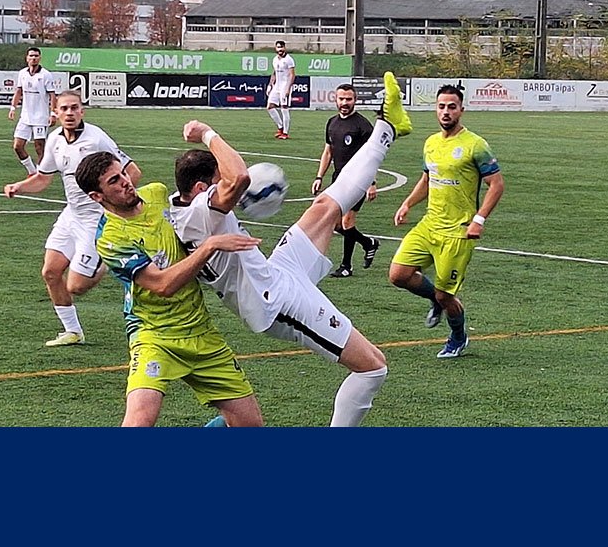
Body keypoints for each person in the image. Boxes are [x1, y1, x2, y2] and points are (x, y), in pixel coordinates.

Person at [168, 72, 410, 426]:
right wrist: (206, 132)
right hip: (276, 300)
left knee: (326, 206)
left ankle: (387, 129)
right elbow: (239, 178)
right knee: (373, 367)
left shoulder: (180, 206)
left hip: (273, 272)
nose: (230, 192)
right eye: (218, 184)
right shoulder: (197, 213)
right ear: (203, 187)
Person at [75, 150, 266, 427]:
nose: (126, 182)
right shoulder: (110, 239)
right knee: (138, 422)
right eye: (114, 181)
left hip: (200, 329)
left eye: (123, 174)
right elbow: (163, 285)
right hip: (154, 335)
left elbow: (198, 213)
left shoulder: (156, 193)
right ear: (97, 196)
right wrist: (210, 246)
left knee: (250, 427)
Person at [4, 90, 139, 348]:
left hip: (96, 219)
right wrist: (19, 186)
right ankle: (72, 331)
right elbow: (43, 178)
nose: (69, 113)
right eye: (64, 109)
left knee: (76, 286)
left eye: (74, 108)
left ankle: (108, 259)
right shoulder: (55, 139)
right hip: (71, 215)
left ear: (82, 111)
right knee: (51, 272)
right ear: (55, 112)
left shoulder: (97, 138)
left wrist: (117, 204)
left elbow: (132, 171)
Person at [389, 84, 505, 359]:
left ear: (461, 110)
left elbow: (496, 184)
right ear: (435, 109)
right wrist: (407, 203)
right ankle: (435, 300)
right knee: (398, 275)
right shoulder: (431, 142)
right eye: (441, 106)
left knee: (445, 295)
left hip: (458, 231)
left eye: (452, 106)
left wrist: (479, 220)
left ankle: (458, 336)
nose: (446, 111)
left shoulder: (475, 145)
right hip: (430, 225)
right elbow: (428, 179)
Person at [312, 82, 381, 278]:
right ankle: (368, 243)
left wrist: (372, 183)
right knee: (336, 225)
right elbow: (328, 152)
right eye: (341, 99)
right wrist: (319, 176)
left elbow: (372, 156)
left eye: (348, 99)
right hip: (338, 178)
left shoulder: (363, 126)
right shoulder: (332, 123)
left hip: (359, 179)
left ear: (355, 100)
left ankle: (346, 266)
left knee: (347, 220)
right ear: (335, 99)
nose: (344, 103)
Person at [8, 47, 59, 175]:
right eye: (31, 56)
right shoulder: (22, 73)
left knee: (39, 147)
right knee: (17, 146)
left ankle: (40, 175)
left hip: (40, 118)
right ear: (27, 58)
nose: (33, 58)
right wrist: (13, 107)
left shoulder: (46, 75)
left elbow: (53, 95)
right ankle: (32, 171)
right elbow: (18, 91)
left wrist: (53, 114)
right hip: (25, 117)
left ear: (39, 58)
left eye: (36, 56)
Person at [265, 40, 295, 139]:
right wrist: (270, 85)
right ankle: (280, 127)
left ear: (285, 48)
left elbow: (292, 75)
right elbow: (274, 73)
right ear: (275, 48)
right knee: (270, 107)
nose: (280, 49)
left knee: (284, 109)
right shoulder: (275, 59)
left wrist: (288, 88)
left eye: (282, 47)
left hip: (284, 86)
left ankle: (285, 133)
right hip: (277, 86)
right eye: (278, 47)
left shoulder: (289, 59)